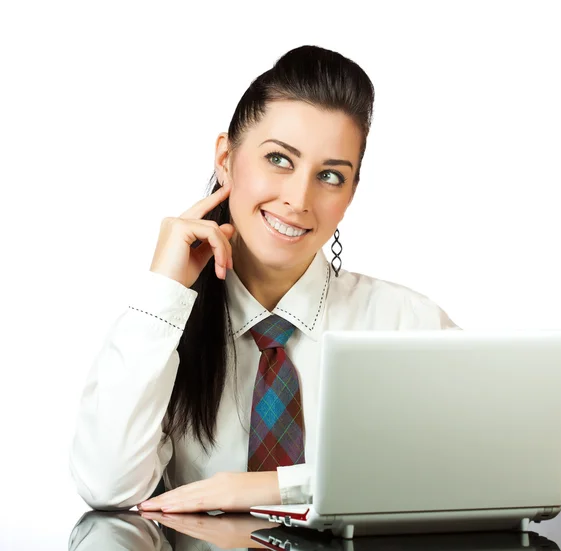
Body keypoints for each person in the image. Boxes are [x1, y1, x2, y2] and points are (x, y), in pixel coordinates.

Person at [68, 44, 460, 514]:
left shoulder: (407, 325)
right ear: (226, 158)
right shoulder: (165, 328)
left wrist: (271, 490)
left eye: (331, 176)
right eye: (279, 159)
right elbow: (106, 486)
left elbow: (474, 472)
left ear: (352, 193)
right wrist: (163, 292)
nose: (298, 198)